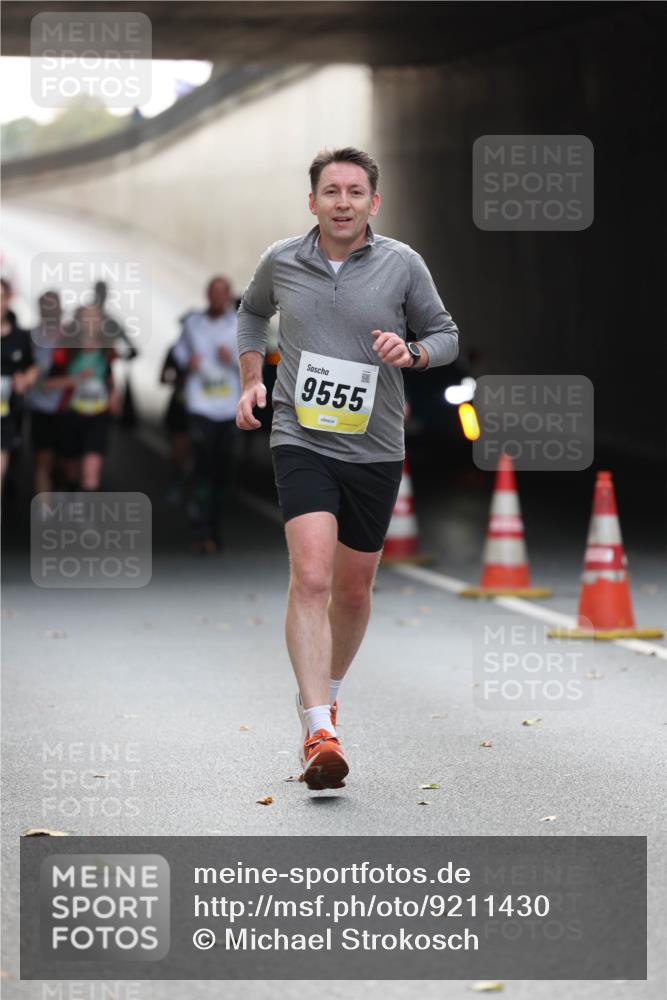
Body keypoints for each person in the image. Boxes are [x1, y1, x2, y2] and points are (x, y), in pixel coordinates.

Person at [236, 147, 459, 790]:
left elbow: (444, 333)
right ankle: (317, 728)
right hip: (299, 436)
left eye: (354, 192)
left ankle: (328, 694)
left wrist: (411, 350)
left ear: (372, 203)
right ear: (312, 202)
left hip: (376, 445)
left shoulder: (402, 264)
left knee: (353, 590)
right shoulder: (282, 260)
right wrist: (253, 381)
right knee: (310, 576)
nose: (342, 202)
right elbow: (252, 313)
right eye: (330, 191)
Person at [172, 276, 241, 553]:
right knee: (203, 466)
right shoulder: (193, 323)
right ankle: (200, 530)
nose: (216, 298)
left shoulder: (238, 325)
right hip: (199, 404)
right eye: (212, 292)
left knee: (221, 471)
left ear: (227, 297)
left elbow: (255, 360)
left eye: (221, 293)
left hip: (227, 406)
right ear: (206, 294)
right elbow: (178, 351)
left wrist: (233, 359)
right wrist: (187, 361)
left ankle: (214, 527)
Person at [43, 304, 120, 491]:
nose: (91, 322)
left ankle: (85, 516)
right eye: (87, 318)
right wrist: (77, 379)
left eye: (96, 318)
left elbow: (108, 377)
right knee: (71, 473)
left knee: (91, 472)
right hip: (71, 415)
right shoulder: (66, 349)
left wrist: (114, 395)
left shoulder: (106, 348)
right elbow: (47, 384)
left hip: (98, 416)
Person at [26, 290, 65, 496]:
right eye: (45, 306)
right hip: (40, 406)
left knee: (65, 461)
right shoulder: (31, 336)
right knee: (42, 459)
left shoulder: (71, 337)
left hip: (67, 407)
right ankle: (44, 511)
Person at [1, 277, 37, 489]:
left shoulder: (20, 337)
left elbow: (32, 366)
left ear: (8, 300)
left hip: (6, 416)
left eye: (0, 298)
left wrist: (26, 380)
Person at [160, 338, 190, 505]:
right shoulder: (176, 349)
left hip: (206, 410)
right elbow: (163, 378)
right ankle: (176, 482)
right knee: (179, 449)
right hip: (180, 406)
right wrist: (180, 381)